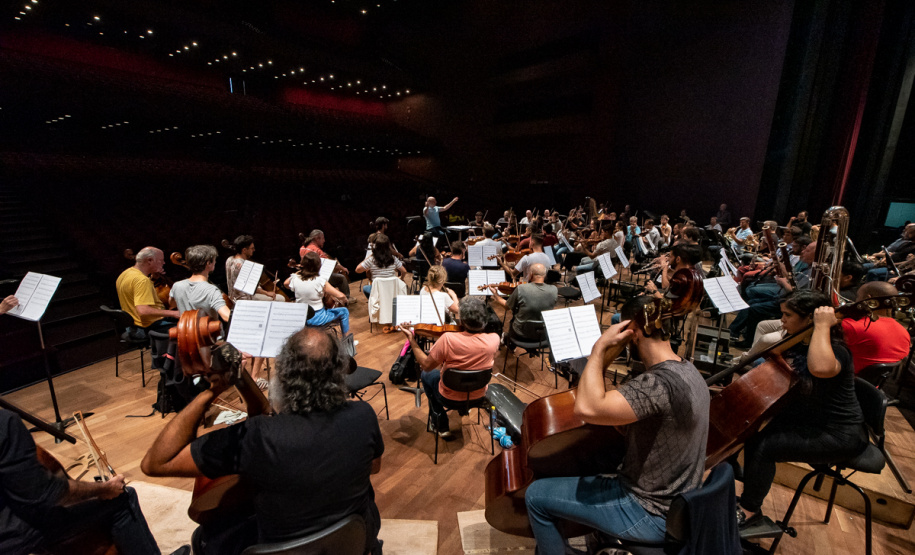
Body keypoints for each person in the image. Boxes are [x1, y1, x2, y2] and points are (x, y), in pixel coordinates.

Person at [141, 328, 384, 555]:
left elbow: (157, 463)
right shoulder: (364, 415)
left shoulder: (258, 436)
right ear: (339, 374)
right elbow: (374, 467)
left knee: (207, 536)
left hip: (284, 549)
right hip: (352, 540)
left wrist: (211, 391)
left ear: (284, 375)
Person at [525, 295, 710, 552]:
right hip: (676, 503)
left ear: (631, 331)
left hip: (648, 511)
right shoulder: (689, 370)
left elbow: (586, 408)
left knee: (535, 496)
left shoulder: (657, 384)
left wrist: (600, 348)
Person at [738, 290, 866, 530]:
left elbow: (818, 368)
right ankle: (746, 491)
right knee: (753, 433)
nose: (782, 320)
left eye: (787, 315)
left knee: (766, 447)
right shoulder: (802, 341)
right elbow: (772, 351)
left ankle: (750, 509)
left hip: (838, 434)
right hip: (811, 422)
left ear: (810, 319)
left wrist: (821, 327)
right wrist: (807, 330)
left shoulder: (834, 350)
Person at [0, 409, 162, 555]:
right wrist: (104, 488)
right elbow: (47, 495)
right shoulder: (5, 422)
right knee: (123, 498)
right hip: (13, 538)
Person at [399, 297, 500, 439]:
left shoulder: (448, 339)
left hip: (448, 397)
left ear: (463, 321)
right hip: (478, 396)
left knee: (427, 375)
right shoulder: (494, 339)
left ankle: (441, 425)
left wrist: (411, 340)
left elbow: (426, 366)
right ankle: (464, 409)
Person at [841, 281, 911, 374]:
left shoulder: (851, 326)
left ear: (868, 299)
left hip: (844, 385)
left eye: (858, 297)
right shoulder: (904, 333)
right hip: (872, 387)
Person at [116, 246, 180, 338]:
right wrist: (174, 313)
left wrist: (153, 278)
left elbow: (136, 290)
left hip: (132, 327)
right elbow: (143, 311)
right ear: (149, 260)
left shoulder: (125, 274)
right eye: (160, 260)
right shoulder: (142, 280)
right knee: (190, 331)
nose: (164, 263)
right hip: (146, 328)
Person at [489, 263, 557, 342]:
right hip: (542, 334)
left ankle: (510, 343)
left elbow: (506, 307)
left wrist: (496, 295)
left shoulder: (521, 288)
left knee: (515, 313)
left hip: (521, 334)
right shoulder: (554, 290)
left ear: (531, 274)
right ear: (544, 275)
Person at [285, 251, 350, 334]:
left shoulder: (295, 278)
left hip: (301, 317)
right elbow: (341, 296)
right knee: (344, 311)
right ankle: (347, 339)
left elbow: (286, 284)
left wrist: (299, 272)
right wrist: (345, 301)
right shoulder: (320, 281)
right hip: (317, 318)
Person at [170, 245, 232, 324]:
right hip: (210, 335)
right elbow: (226, 316)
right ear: (208, 263)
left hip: (186, 335)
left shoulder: (176, 286)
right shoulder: (211, 290)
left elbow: (172, 304)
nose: (215, 262)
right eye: (214, 260)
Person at [224, 235, 283, 304]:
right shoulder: (243, 265)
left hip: (232, 298)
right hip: (245, 300)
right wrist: (266, 293)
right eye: (252, 248)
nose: (254, 250)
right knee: (280, 298)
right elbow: (252, 289)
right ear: (244, 250)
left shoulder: (229, 259)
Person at [299, 230, 351, 299]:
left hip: (307, 276)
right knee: (341, 278)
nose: (324, 240)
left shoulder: (302, 248)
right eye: (323, 238)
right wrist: (343, 268)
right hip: (317, 277)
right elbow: (331, 264)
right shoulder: (316, 250)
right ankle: (346, 298)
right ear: (317, 238)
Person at [356, 234, 406, 298]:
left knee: (365, 288)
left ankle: (374, 302)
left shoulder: (371, 260)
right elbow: (404, 271)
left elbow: (357, 270)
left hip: (378, 291)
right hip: (391, 289)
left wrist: (370, 256)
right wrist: (401, 278)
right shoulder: (393, 258)